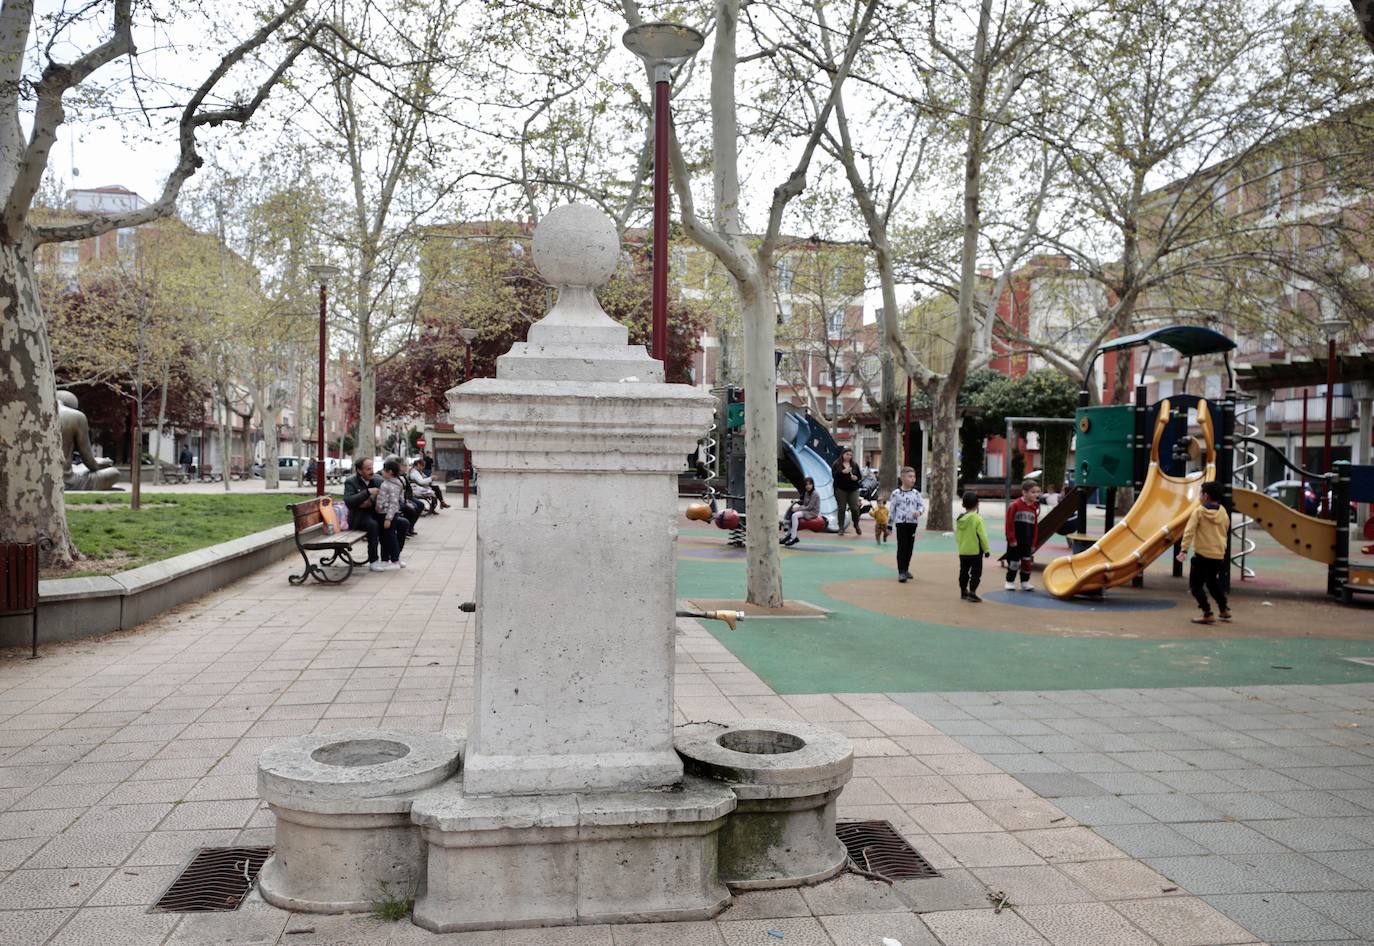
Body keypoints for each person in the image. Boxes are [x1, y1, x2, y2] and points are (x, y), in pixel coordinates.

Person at [1177, 481, 1231, 625]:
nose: (1199, 496)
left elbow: (1189, 532)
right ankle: (1224, 608)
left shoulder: (1199, 512)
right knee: (1212, 582)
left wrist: (1184, 550)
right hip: (1218, 554)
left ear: (1205, 496)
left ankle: (1207, 612)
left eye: (1200, 494)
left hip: (1202, 555)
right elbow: (1225, 529)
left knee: (1196, 586)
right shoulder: (1223, 512)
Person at [343, 457, 409, 572]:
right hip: (360, 517)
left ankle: (394, 557)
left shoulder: (378, 479)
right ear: (359, 471)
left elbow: (390, 496)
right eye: (368, 469)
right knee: (373, 525)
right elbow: (349, 501)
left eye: (372, 468)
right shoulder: (351, 481)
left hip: (378, 513)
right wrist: (367, 492)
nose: (371, 471)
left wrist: (371, 501)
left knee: (403, 523)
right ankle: (373, 560)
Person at [1003, 479, 1041, 591]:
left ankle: (1025, 581)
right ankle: (1010, 581)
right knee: (1014, 562)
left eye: (1037, 492)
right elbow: (1009, 524)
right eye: (1033, 492)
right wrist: (1011, 539)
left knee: (1026, 562)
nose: (1036, 494)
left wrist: (1034, 543)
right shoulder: (1015, 506)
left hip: (1027, 542)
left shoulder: (1034, 508)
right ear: (1024, 492)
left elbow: (1035, 527)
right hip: (1015, 542)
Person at [889, 466, 926, 583]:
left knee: (910, 547)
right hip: (901, 524)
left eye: (914, 476)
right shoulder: (896, 493)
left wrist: (918, 512)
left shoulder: (916, 493)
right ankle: (901, 571)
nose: (913, 479)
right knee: (902, 547)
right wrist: (889, 525)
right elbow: (892, 510)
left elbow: (922, 506)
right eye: (910, 476)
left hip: (912, 524)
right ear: (902, 478)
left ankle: (906, 569)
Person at [955, 491, 991, 602]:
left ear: (963, 505)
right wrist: (986, 549)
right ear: (977, 504)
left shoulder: (959, 519)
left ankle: (963, 591)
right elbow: (982, 535)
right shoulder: (977, 519)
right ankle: (972, 592)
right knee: (975, 573)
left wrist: (961, 546)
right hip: (975, 552)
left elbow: (958, 536)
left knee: (963, 572)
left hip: (963, 551)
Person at [374, 458, 410, 570]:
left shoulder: (392, 485)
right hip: (384, 514)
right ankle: (386, 559)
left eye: (384, 470)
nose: (382, 472)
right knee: (385, 537)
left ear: (390, 472)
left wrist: (388, 518)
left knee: (390, 537)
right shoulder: (391, 483)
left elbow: (394, 503)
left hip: (387, 515)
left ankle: (395, 560)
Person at [831, 448, 864, 536]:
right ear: (842, 454)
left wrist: (856, 478)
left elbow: (859, 476)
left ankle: (856, 524)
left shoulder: (854, 464)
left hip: (853, 489)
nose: (849, 456)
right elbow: (834, 475)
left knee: (854, 508)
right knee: (841, 508)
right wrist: (842, 472)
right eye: (847, 454)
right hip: (840, 489)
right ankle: (841, 527)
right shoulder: (836, 464)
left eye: (850, 455)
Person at [781, 477, 820, 547]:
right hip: (807, 510)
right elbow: (805, 505)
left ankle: (793, 537)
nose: (808, 486)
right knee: (792, 512)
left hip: (812, 512)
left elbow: (809, 507)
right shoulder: (806, 493)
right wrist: (798, 507)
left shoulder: (815, 494)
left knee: (795, 515)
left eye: (810, 484)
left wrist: (798, 509)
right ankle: (788, 535)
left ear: (813, 485)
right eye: (806, 484)